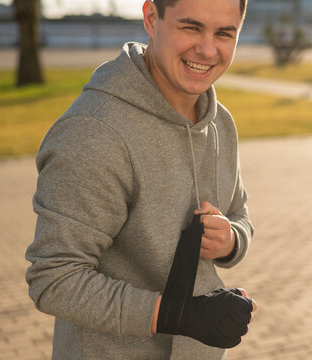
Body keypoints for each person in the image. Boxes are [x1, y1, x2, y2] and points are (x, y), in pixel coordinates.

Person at [25, 0, 256, 358]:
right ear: (151, 17)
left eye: (224, 33)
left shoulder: (220, 122)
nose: (208, 49)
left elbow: (240, 214)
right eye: (191, 27)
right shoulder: (94, 133)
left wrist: (230, 240)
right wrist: (175, 315)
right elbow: (54, 279)